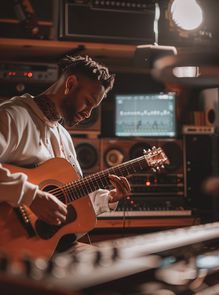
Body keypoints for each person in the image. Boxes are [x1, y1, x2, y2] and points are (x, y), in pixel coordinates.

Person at [0, 54, 131, 254]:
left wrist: (109, 198)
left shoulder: (63, 136)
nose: (88, 113)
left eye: (93, 108)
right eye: (87, 101)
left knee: (117, 265)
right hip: (11, 245)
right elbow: (38, 198)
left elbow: (70, 197)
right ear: (70, 84)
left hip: (52, 244)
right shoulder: (11, 116)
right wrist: (32, 196)